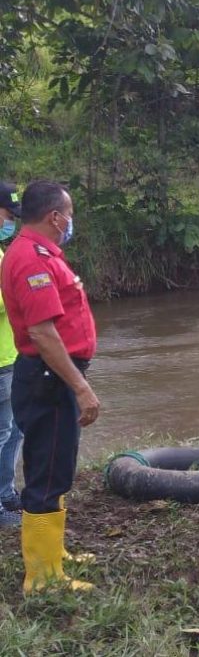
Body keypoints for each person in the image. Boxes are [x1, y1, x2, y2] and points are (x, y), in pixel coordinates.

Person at [0, 180, 101, 592]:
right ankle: (42, 579)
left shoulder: (37, 253)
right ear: (55, 217)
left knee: (56, 466)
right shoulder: (30, 260)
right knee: (46, 473)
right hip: (50, 378)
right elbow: (43, 334)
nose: (70, 223)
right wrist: (80, 387)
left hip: (50, 376)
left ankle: (52, 554)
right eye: (70, 215)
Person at [0, 183, 23, 529]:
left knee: (16, 429)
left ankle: (5, 490)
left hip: (11, 357)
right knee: (2, 432)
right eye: (7, 216)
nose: (10, 224)